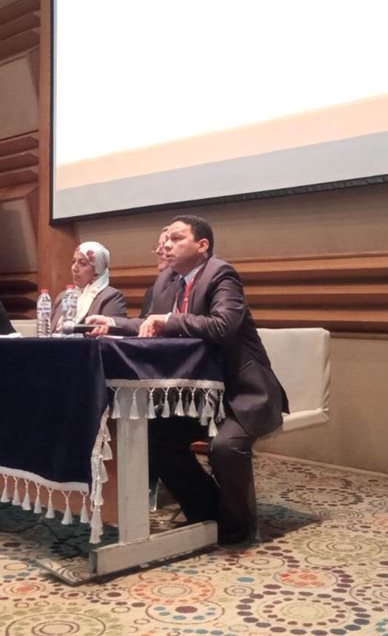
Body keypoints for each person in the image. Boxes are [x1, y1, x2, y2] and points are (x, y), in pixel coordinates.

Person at [87, 215, 288, 546]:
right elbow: (149, 323)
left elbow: (222, 326)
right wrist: (113, 323)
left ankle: (236, 530)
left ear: (202, 245)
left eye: (176, 238)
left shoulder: (221, 274)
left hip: (241, 394)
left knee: (225, 448)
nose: (166, 244)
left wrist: (168, 319)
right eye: (165, 239)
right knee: (156, 438)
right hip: (198, 396)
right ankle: (209, 514)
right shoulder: (167, 281)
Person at [51, 241, 127, 332]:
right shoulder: (63, 296)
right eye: (73, 261)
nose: (74, 268)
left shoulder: (111, 297)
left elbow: (109, 336)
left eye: (82, 263)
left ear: (97, 269)